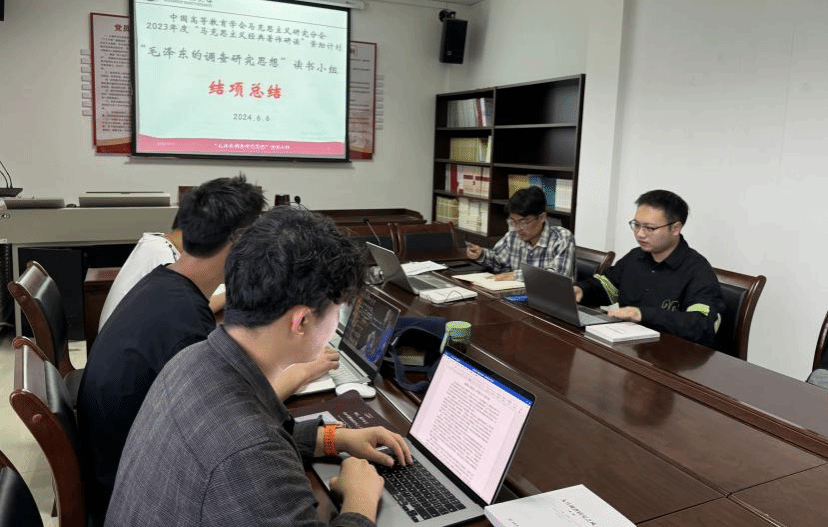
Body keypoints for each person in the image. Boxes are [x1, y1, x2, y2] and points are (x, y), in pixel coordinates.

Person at [105, 207, 412, 527]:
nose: (336, 323)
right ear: (301, 321)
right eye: (337, 311)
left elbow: (260, 435)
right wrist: (360, 499)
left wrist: (336, 439)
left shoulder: (191, 359)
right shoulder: (251, 453)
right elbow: (252, 448)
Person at [77, 174, 270, 526]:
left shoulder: (163, 282)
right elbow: (228, 435)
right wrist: (300, 373)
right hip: (136, 500)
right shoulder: (184, 325)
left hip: (117, 471)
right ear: (239, 242)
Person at [574, 189, 723, 347]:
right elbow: (606, 287)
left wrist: (642, 314)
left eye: (649, 228)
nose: (640, 234)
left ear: (676, 228)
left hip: (672, 354)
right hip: (627, 347)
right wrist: (581, 290)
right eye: (636, 225)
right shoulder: (635, 257)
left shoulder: (698, 270)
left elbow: (702, 324)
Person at [466, 185, 575, 281]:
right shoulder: (512, 237)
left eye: (524, 222)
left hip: (548, 297)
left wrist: (515, 276)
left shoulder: (561, 238)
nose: (518, 228)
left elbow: (557, 277)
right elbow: (498, 261)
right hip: (516, 296)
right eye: (514, 222)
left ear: (542, 217)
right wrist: (481, 254)